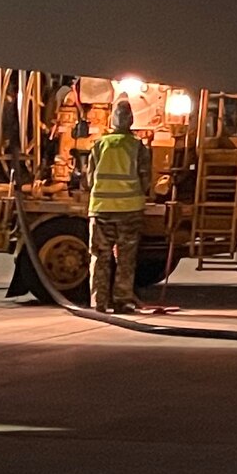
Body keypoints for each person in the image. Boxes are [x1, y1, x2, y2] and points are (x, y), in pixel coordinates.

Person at [88, 99, 151, 314]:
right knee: (125, 259)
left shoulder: (98, 145)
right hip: (129, 210)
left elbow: (89, 180)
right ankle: (122, 301)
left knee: (100, 257)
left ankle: (99, 302)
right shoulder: (137, 146)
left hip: (101, 209)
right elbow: (145, 179)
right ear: (131, 120)